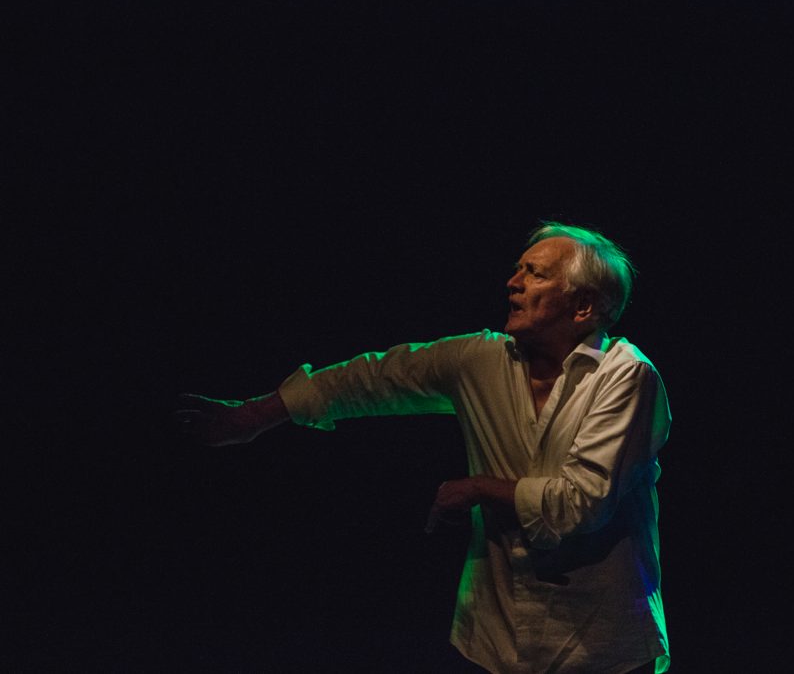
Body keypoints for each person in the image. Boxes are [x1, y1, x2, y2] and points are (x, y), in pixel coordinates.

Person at [175, 221, 672, 674]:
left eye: (534, 274)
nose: (513, 282)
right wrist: (252, 416)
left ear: (583, 306)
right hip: (496, 641)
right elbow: (371, 378)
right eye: (518, 269)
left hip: (601, 648)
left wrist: (476, 488)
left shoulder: (627, 376)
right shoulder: (479, 360)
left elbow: (579, 504)